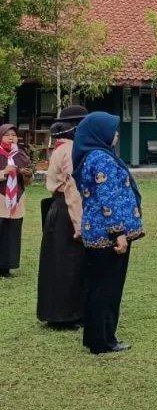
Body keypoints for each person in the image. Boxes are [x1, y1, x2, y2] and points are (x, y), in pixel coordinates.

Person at [73, 112, 144, 354]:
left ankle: (94, 338)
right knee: (108, 288)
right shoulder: (101, 159)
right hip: (108, 235)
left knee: (96, 286)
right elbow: (108, 199)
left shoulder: (88, 156)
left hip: (94, 231)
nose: (115, 135)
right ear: (98, 133)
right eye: (112, 130)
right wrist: (119, 234)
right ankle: (104, 340)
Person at [38, 106, 88, 327]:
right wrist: (79, 224)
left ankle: (55, 312)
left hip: (57, 208)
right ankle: (66, 315)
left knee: (56, 262)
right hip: (67, 209)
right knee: (69, 263)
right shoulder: (70, 150)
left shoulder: (60, 147)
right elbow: (72, 189)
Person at [0, 124, 34, 278]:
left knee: (12, 232)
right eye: (7, 135)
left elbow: (29, 181)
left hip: (17, 199)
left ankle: (7, 266)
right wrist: (4, 172)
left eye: (13, 135)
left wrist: (27, 175)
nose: (11, 137)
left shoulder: (20, 154)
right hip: (1, 198)